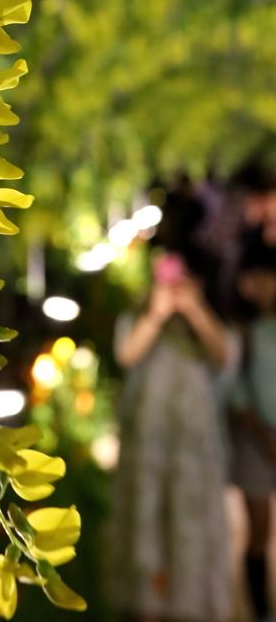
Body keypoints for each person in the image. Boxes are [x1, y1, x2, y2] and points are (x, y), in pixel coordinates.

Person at [110, 247, 238, 622]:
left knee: (191, 544)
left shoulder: (212, 321)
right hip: (147, 450)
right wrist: (156, 314)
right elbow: (127, 354)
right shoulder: (139, 317)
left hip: (195, 455)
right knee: (146, 532)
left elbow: (226, 355)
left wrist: (195, 309)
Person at [231, 240, 276, 622]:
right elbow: (236, 388)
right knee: (260, 529)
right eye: (252, 277)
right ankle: (261, 610)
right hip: (254, 438)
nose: (258, 285)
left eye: (265, 276)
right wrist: (264, 436)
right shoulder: (241, 329)